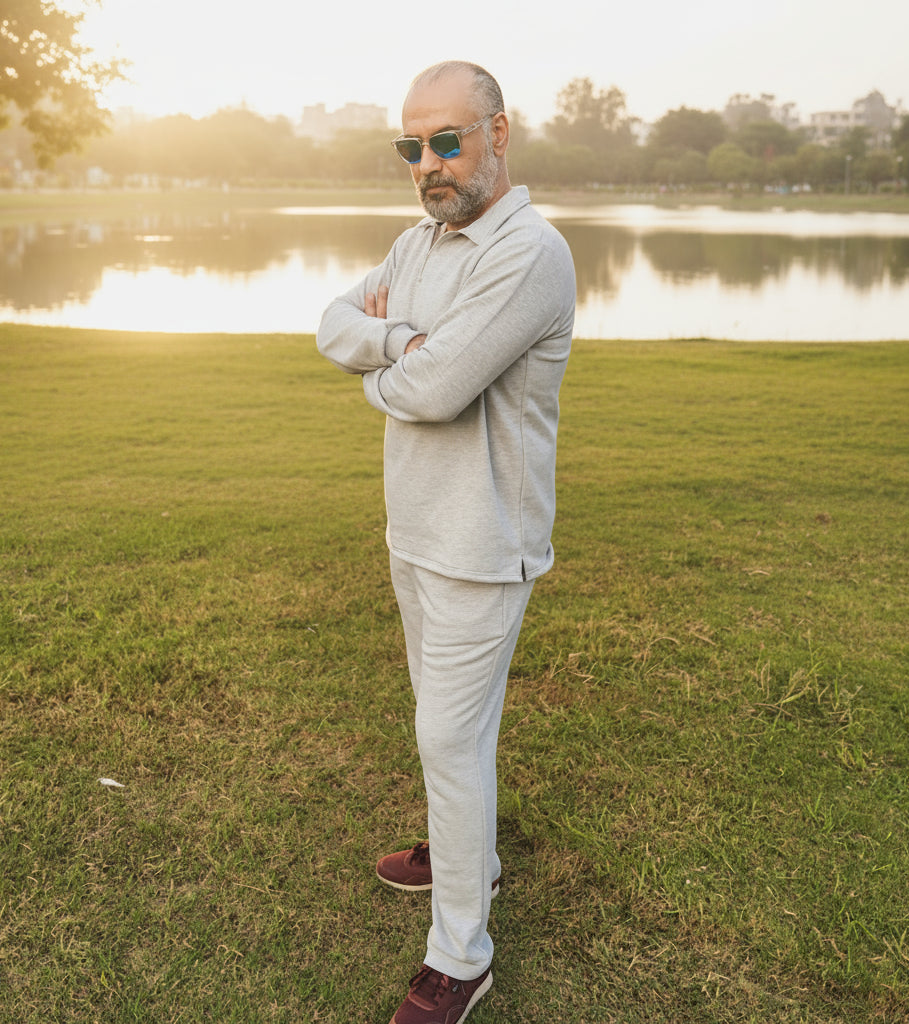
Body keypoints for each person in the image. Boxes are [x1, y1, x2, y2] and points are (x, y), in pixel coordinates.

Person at [316, 60, 575, 1024]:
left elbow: (435, 392)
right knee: (450, 730)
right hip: (414, 531)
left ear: (499, 135)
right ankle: (470, 853)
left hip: (483, 544)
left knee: (445, 736)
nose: (428, 163)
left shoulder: (530, 253)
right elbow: (332, 326)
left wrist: (392, 370)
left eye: (448, 140)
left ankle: (461, 955)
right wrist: (396, 344)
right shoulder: (415, 241)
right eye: (410, 145)